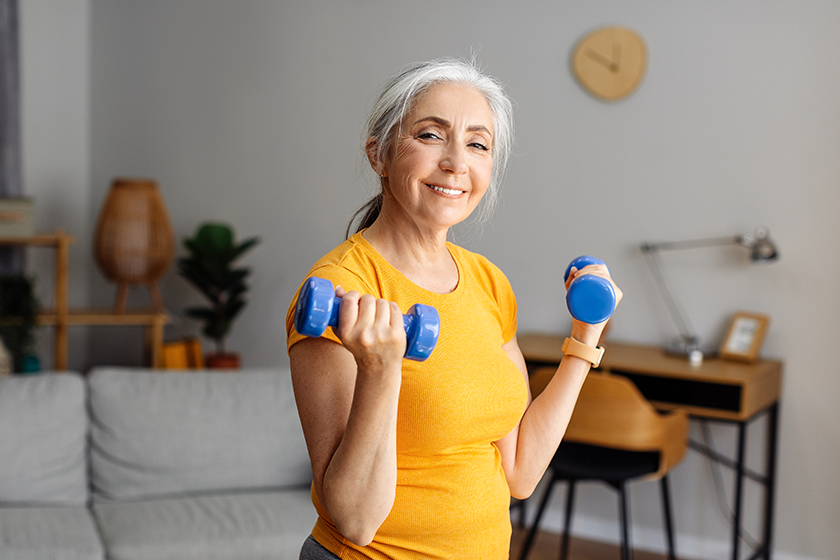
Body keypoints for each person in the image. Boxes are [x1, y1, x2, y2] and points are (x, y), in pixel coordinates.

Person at [286, 57, 622, 560]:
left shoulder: (488, 282)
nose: (456, 162)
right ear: (379, 154)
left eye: (478, 144)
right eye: (430, 135)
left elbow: (521, 473)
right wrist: (381, 370)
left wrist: (585, 337)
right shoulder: (341, 290)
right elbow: (354, 520)